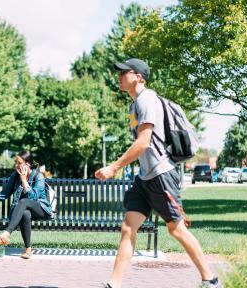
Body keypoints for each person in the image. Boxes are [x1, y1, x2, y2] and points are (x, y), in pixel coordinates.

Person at [94, 58, 222, 288]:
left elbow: (143, 143)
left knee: (176, 229)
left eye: (125, 72)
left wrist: (113, 167)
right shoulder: (134, 105)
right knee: (128, 227)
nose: (119, 75)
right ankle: (113, 285)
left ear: (139, 76)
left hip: (162, 175)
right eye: (119, 72)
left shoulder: (146, 100)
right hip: (145, 177)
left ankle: (210, 279)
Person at [0, 150, 52, 259]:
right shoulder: (14, 176)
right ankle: (28, 249)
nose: (16, 165)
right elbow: (5, 193)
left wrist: (24, 180)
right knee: (25, 213)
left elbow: (34, 198)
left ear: (27, 164)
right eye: (16, 162)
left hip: (40, 209)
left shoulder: (38, 176)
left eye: (19, 162)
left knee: (24, 201)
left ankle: (6, 234)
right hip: (21, 211)